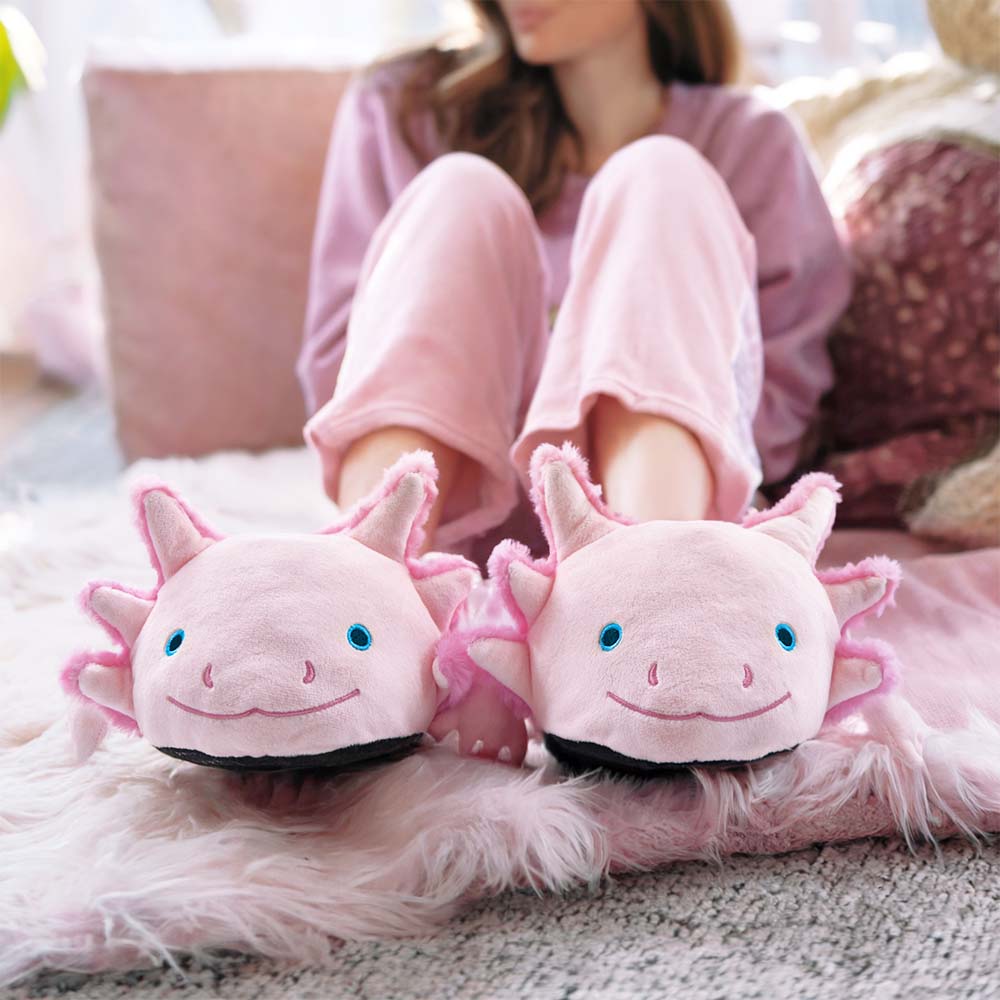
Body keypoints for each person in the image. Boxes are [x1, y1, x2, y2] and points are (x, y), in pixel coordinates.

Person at [298, 0, 851, 563]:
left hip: (660, 505)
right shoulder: (409, 109)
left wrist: (607, 392)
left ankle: (654, 579)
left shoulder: (750, 140)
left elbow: (783, 399)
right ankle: (362, 575)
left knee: (661, 176)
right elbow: (341, 372)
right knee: (459, 191)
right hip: (456, 517)